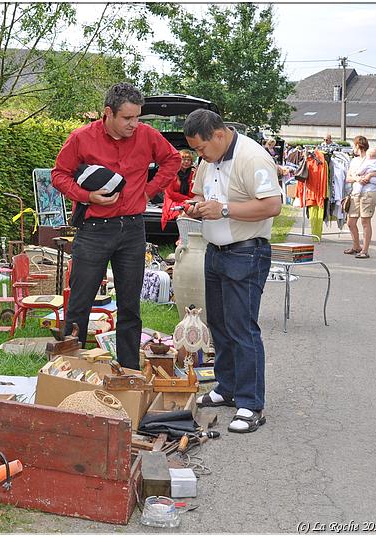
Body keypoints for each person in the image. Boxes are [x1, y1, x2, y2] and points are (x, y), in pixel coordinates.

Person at [51, 82, 180, 369]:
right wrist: (87, 196)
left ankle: (129, 371)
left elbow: (172, 159)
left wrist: (149, 191)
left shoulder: (147, 135)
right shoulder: (81, 138)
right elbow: (59, 175)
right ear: (108, 113)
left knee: (130, 305)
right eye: (127, 118)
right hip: (93, 230)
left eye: (137, 117)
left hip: (132, 229)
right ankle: (68, 370)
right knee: (80, 302)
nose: (134, 124)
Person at [181, 109, 281, 434]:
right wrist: (196, 207)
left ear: (219, 135)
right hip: (215, 251)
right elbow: (200, 194)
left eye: (201, 148)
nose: (200, 155)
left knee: (242, 329)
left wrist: (224, 209)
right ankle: (227, 387)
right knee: (219, 324)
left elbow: (272, 205)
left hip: (246, 252)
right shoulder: (208, 160)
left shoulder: (253, 158)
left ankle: (251, 404)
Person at [343, 135, 376, 259]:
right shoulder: (354, 160)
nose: (353, 148)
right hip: (355, 192)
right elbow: (348, 178)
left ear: (357, 145)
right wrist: (357, 178)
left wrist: (370, 175)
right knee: (351, 221)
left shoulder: (372, 158)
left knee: (365, 221)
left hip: (369, 192)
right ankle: (356, 246)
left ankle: (364, 250)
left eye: (354, 146)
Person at [161, 149, 197, 230]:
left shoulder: (192, 174)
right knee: (184, 214)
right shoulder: (171, 173)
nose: (186, 162)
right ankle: (183, 235)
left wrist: (193, 180)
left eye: (189, 160)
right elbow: (170, 194)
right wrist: (188, 199)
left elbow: (192, 194)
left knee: (192, 211)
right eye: (183, 159)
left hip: (186, 201)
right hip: (172, 201)